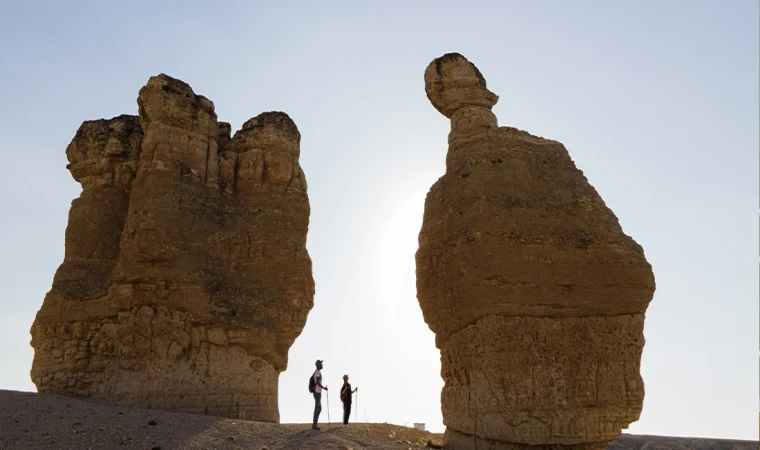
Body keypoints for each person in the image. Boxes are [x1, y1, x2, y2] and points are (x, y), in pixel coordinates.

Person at [312, 359, 328, 430]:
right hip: (317, 392)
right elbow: (318, 383)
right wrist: (324, 388)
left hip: (317, 392)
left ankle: (315, 423)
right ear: (318, 365)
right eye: (321, 364)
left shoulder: (317, 372)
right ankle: (314, 425)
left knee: (319, 408)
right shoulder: (317, 372)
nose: (322, 365)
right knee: (317, 408)